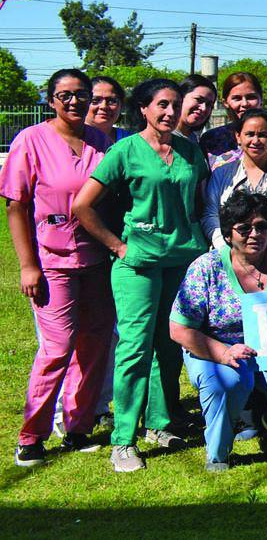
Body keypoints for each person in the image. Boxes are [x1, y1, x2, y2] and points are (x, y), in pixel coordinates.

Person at [73, 77, 210, 472]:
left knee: (168, 346)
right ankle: (123, 440)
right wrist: (117, 246)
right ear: (145, 109)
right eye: (162, 105)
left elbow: (199, 203)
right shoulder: (124, 151)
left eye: (175, 105)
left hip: (182, 260)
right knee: (134, 348)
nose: (169, 112)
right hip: (138, 264)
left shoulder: (189, 152)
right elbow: (83, 206)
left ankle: (160, 423)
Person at [3, 70, 115, 466]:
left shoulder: (101, 141)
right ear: (51, 99)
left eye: (81, 94)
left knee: (96, 343)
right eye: (64, 95)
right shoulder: (31, 140)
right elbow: (16, 205)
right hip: (53, 263)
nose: (74, 102)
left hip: (99, 260)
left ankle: (78, 426)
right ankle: (31, 435)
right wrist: (27, 265)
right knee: (57, 347)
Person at [168, 192, 267, 470]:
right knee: (226, 382)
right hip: (223, 353)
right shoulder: (206, 268)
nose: (255, 234)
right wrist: (223, 352)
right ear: (228, 234)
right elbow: (178, 329)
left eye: (262, 226)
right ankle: (219, 453)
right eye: (244, 228)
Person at [202, 108, 267, 252]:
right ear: (238, 137)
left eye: (263, 135)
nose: (256, 141)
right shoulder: (221, 174)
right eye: (249, 134)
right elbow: (210, 214)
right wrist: (225, 249)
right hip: (229, 256)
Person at [86, 75, 131, 143]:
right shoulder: (70, 139)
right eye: (95, 100)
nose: (103, 106)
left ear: (121, 105)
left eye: (111, 101)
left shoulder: (131, 142)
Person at [176, 75, 218, 145]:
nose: (203, 108)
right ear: (180, 97)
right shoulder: (162, 137)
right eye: (199, 100)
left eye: (209, 105)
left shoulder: (193, 139)